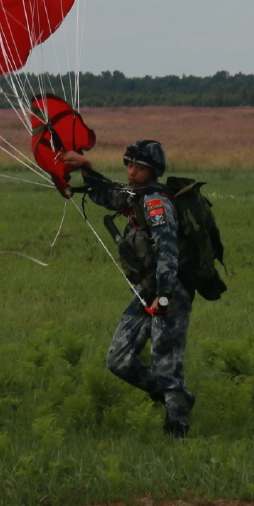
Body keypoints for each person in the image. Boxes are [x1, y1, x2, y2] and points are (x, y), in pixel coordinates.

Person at [58, 138, 193, 437]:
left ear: (153, 170)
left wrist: (165, 295)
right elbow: (108, 195)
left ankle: (178, 426)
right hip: (146, 291)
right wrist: (86, 169)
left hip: (169, 292)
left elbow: (168, 251)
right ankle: (175, 397)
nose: (131, 172)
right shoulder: (136, 196)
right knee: (118, 360)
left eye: (140, 167)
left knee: (166, 362)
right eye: (129, 164)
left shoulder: (156, 202)